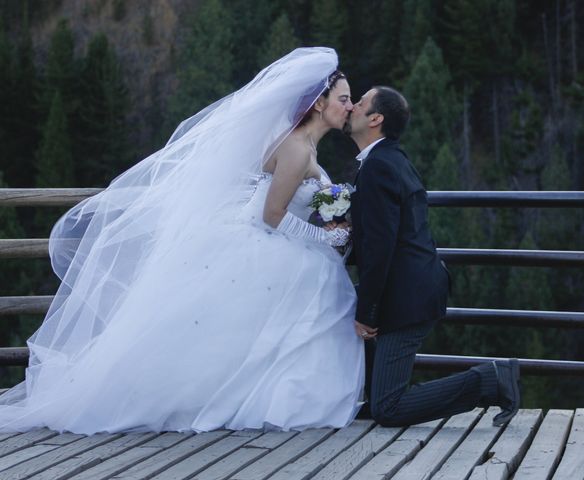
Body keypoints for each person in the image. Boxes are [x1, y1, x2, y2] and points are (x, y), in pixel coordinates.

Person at [0, 47, 364, 434]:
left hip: (264, 238)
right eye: (343, 99)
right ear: (319, 103)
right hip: (263, 239)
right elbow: (271, 216)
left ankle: (267, 396)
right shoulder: (295, 148)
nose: (349, 106)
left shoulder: (304, 145)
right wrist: (325, 238)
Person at [345, 86, 521, 427]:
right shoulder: (388, 159)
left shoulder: (380, 165)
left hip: (407, 297)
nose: (352, 106)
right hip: (411, 288)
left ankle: (492, 379)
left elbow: (382, 246)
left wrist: (367, 311)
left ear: (376, 119)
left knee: (388, 409)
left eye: (361, 102)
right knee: (379, 401)